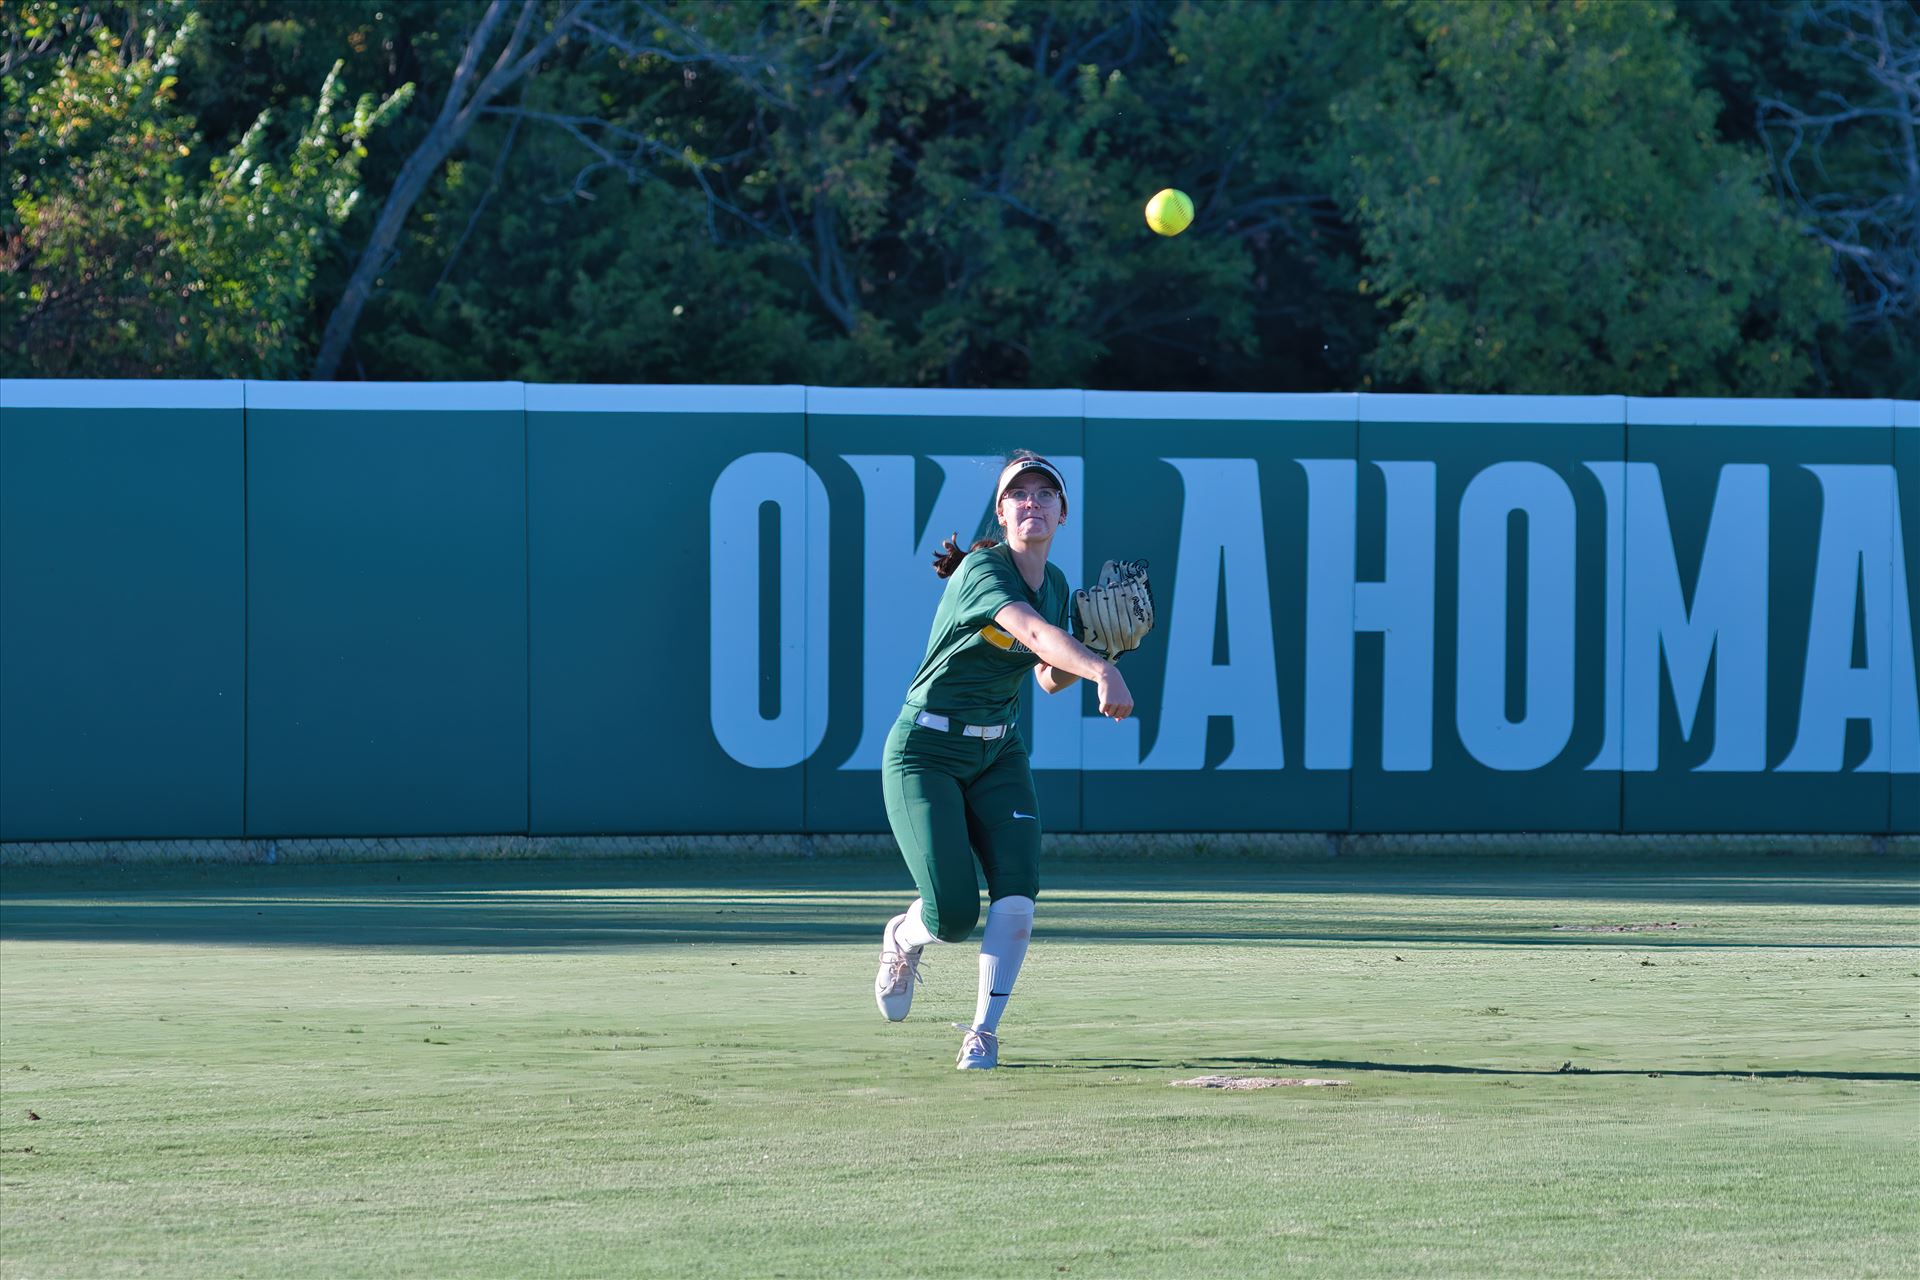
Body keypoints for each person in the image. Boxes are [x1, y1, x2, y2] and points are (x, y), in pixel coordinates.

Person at [872, 451, 1136, 1070]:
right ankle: (903, 936)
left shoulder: (1058, 585)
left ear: (1063, 513)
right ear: (1001, 512)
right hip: (925, 750)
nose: (1032, 502)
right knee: (953, 915)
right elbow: (1035, 635)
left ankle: (983, 1032)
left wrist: (1102, 648)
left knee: (1018, 893)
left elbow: (1046, 676)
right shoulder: (982, 569)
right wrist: (1100, 667)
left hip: (999, 752)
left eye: (1046, 493)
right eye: (1019, 494)